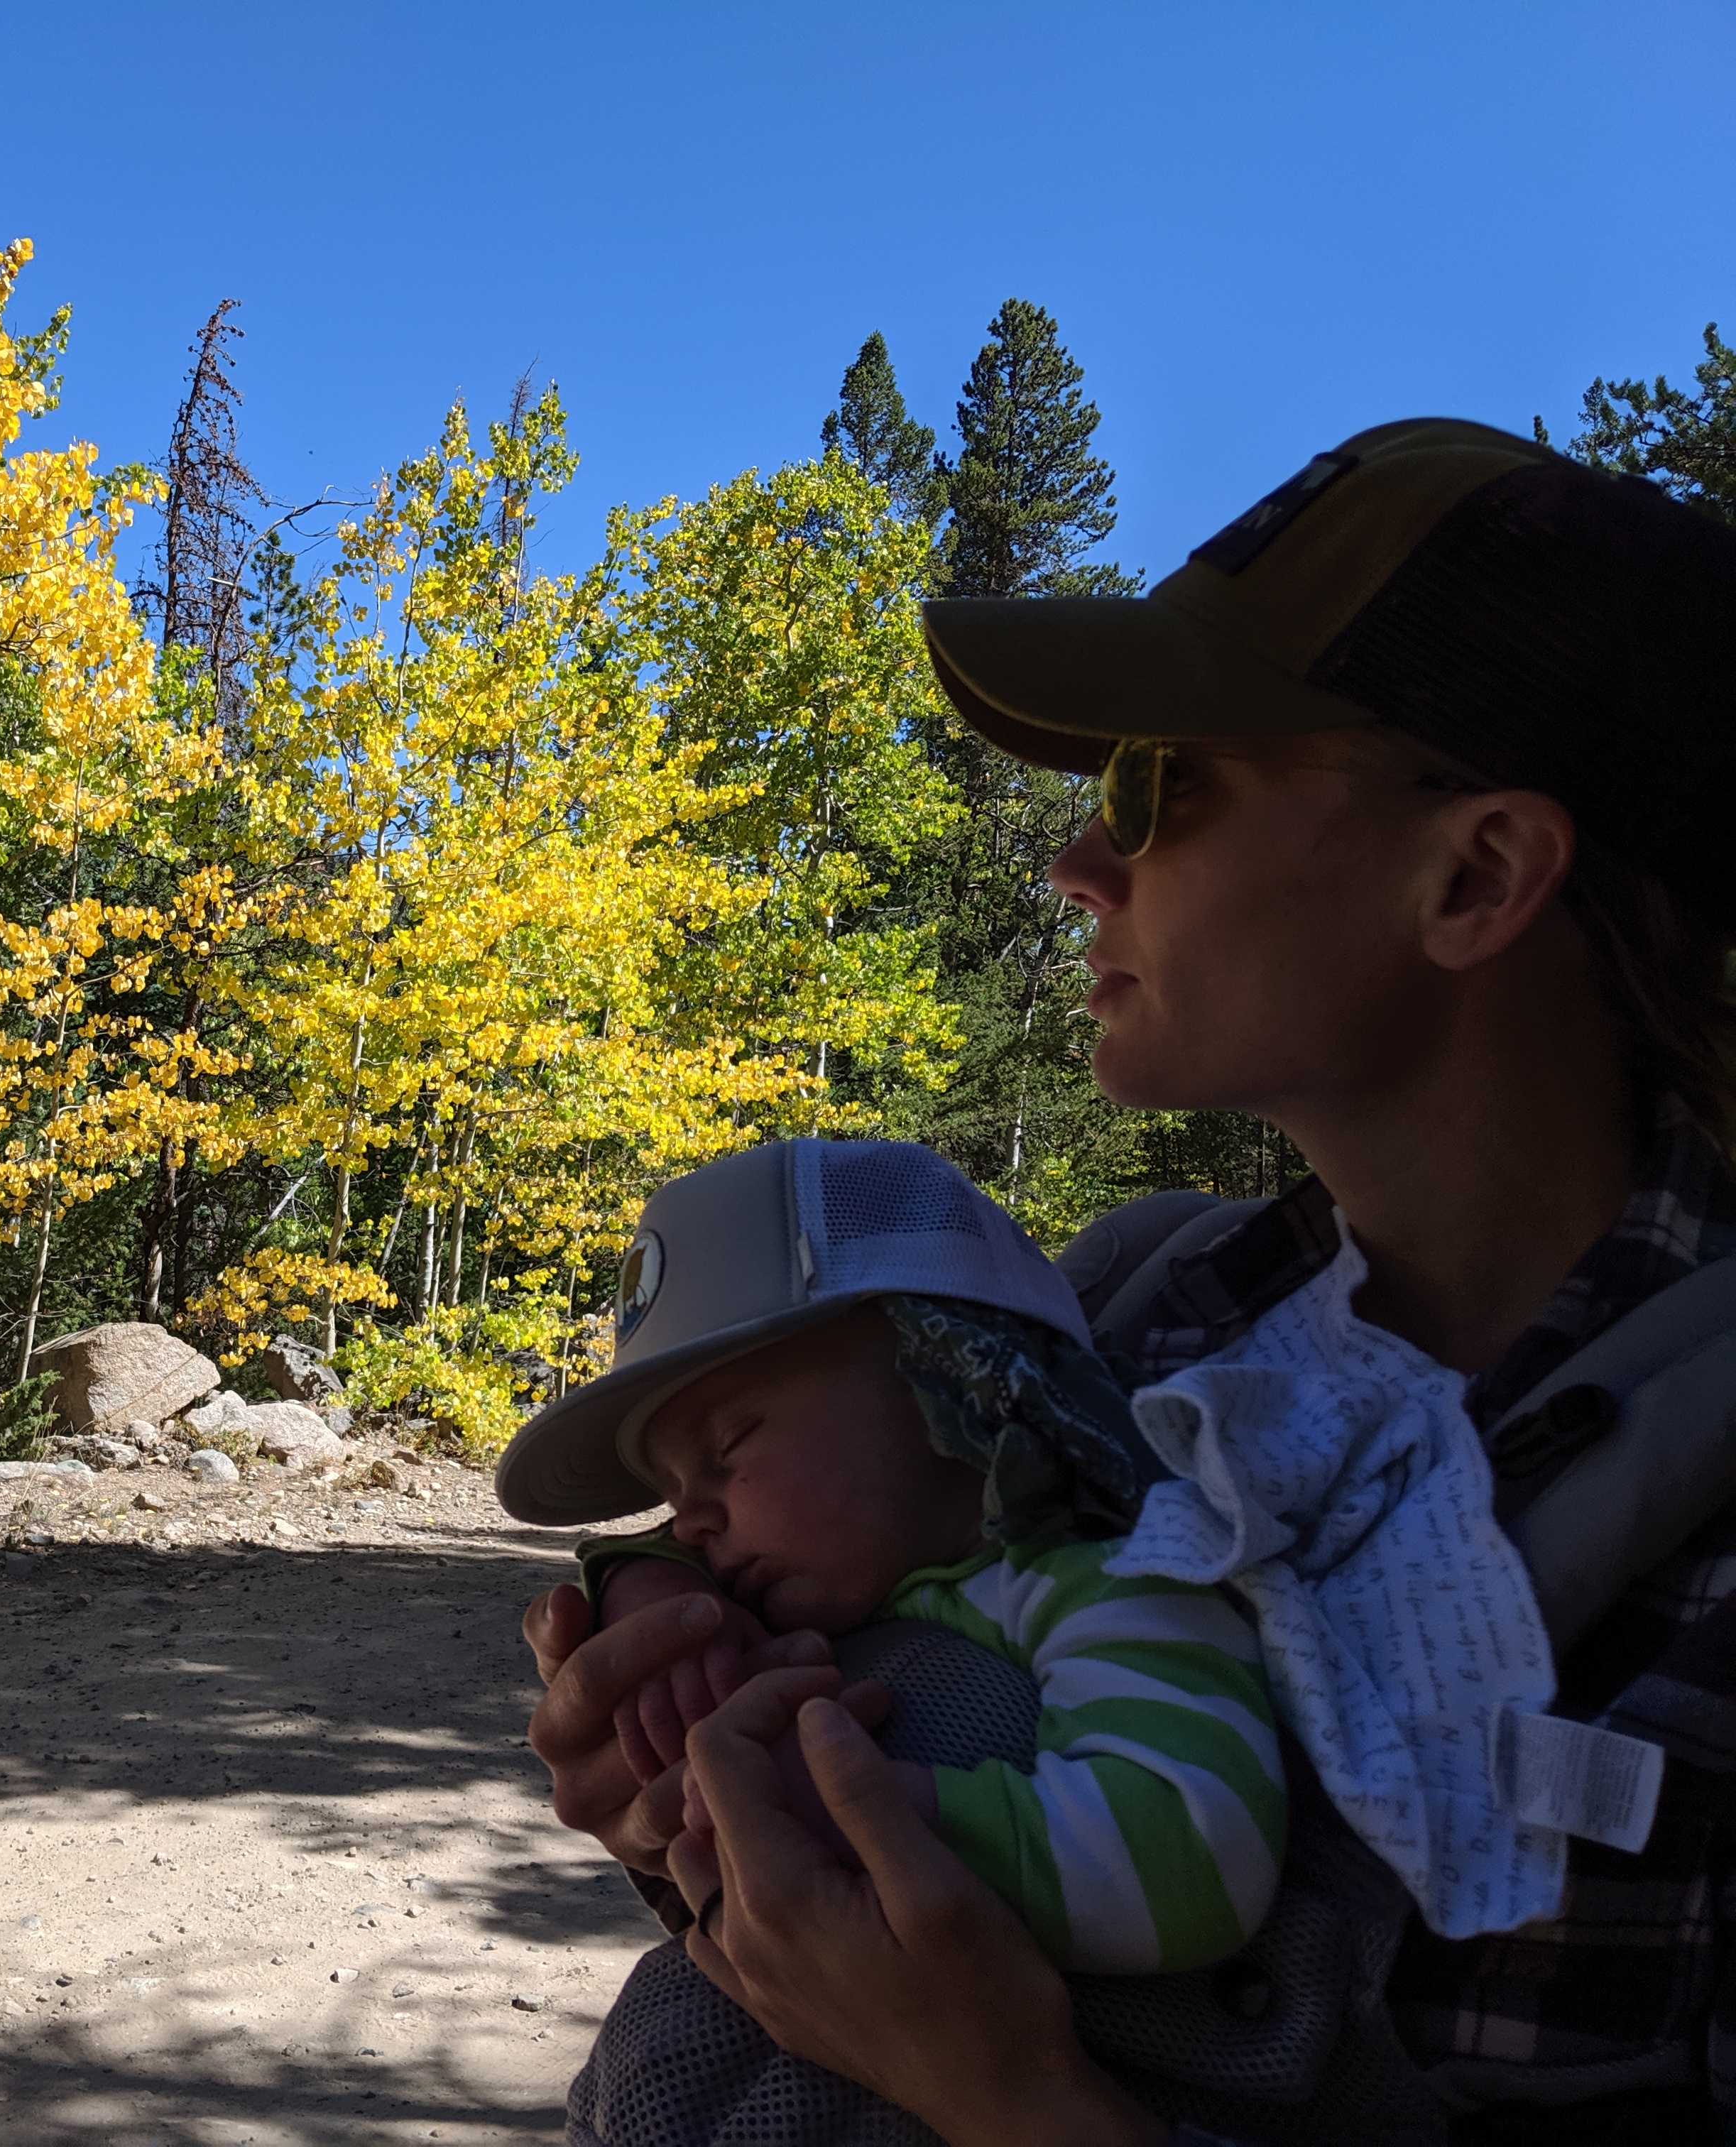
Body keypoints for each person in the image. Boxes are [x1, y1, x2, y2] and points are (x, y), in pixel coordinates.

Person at [519, 415, 1736, 2143]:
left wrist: (1003, 2093)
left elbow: (963, 2033)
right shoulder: (1102, 1331)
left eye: (1165, 788)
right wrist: (703, 1805)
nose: (1079, 866)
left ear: (1474, 876)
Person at [507, 1136, 1284, 1987]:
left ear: (948, 1378)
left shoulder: (1110, 1576)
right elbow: (664, 1548)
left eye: (728, 1444)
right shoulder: (858, 1565)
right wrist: (646, 1591)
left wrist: (857, 1809)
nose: (688, 1521)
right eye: (669, 1489)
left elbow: (1189, 1855)